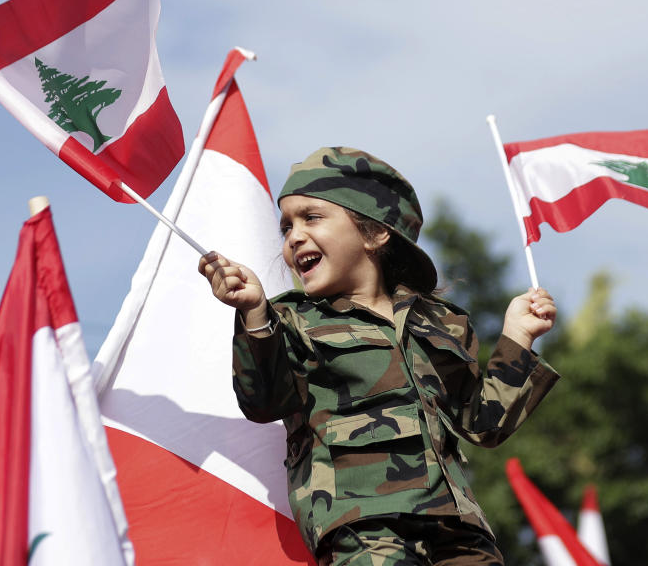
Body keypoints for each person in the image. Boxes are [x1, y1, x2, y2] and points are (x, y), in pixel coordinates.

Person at [199, 147, 559, 566]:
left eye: (311, 217)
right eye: (286, 227)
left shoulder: (441, 322)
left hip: (459, 528)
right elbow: (263, 401)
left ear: (374, 233)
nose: (294, 237)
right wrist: (255, 314)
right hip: (363, 525)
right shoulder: (289, 320)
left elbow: (482, 424)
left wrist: (517, 336)